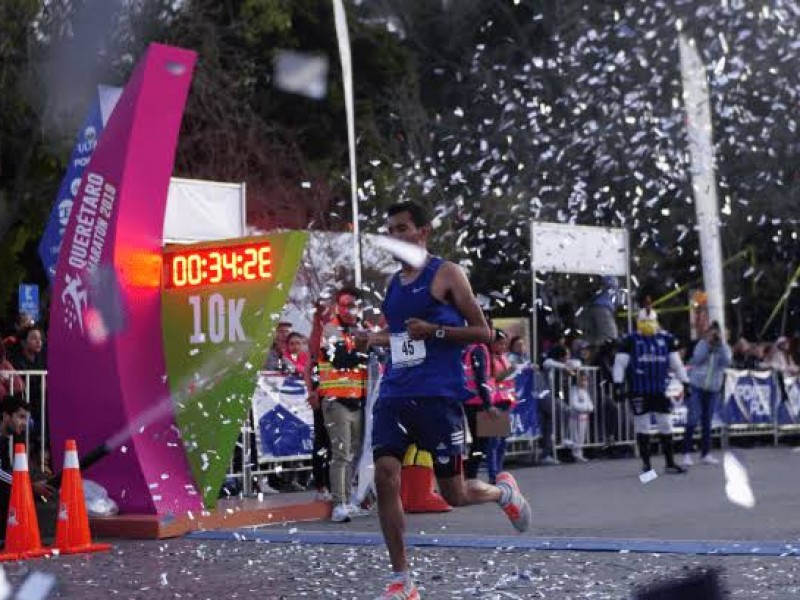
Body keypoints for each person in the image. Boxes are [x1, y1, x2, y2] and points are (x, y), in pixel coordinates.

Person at [362, 201, 531, 600]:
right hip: (396, 393)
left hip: (439, 397)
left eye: (402, 228)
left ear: (423, 232)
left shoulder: (447, 274)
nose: (395, 235)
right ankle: (402, 579)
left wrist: (436, 332)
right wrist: (375, 340)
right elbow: (406, 341)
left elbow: (484, 333)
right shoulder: (392, 284)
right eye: (390, 229)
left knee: (453, 493)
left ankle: (502, 493)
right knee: (387, 478)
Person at [613, 307, 689, 477]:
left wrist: (686, 382)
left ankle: (669, 463)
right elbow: (620, 364)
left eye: (650, 321)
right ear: (638, 323)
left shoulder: (666, 339)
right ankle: (647, 467)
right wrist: (617, 384)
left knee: (666, 423)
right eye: (643, 322)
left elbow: (676, 364)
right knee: (643, 426)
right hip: (639, 389)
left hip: (659, 390)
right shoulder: (630, 340)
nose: (647, 325)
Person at [318, 286, 370, 523]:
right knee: (341, 455)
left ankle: (348, 501)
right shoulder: (331, 328)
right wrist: (363, 351)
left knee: (353, 454)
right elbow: (340, 360)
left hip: (357, 400)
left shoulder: (361, 329)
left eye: (353, 305)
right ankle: (338, 504)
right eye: (344, 305)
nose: (348, 309)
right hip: (335, 400)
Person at [0, 394, 54, 540]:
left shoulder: (6, 439)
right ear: (6, 416)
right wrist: (28, 485)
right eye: (21, 417)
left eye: (27, 418)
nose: (25, 423)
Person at [682, 321, 731, 466]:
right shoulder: (702, 344)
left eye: (717, 333)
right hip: (697, 386)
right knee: (693, 418)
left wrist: (720, 345)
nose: (715, 335)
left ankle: (706, 453)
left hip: (713, 388)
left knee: (707, 421)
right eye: (712, 332)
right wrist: (708, 345)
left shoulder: (724, 347)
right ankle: (686, 453)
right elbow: (696, 360)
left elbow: (727, 362)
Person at [305, 299, 332, 501]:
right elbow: (309, 366)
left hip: (338, 393)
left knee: (336, 442)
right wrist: (312, 391)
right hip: (323, 394)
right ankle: (322, 487)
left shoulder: (337, 332)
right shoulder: (318, 333)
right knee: (322, 440)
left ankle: (335, 486)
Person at [487, 329, 517, 483]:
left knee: (502, 441)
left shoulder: (503, 357)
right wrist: (510, 372)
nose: (504, 346)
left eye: (505, 343)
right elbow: (494, 378)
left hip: (505, 400)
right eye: (501, 343)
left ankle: (498, 472)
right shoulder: (488, 358)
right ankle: (493, 475)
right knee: (493, 441)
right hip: (494, 401)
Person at [568, 371, 594, 462]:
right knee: (576, 435)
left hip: (583, 417)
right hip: (575, 417)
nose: (584, 382)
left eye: (585, 380)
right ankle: (575, 454)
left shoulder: (585, 391)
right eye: (582, 380)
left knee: (582, 436)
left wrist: (587, 408)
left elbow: (591, 406)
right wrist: (585, 408)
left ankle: (580, 453)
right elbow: (574, 404)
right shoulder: (574, 390)